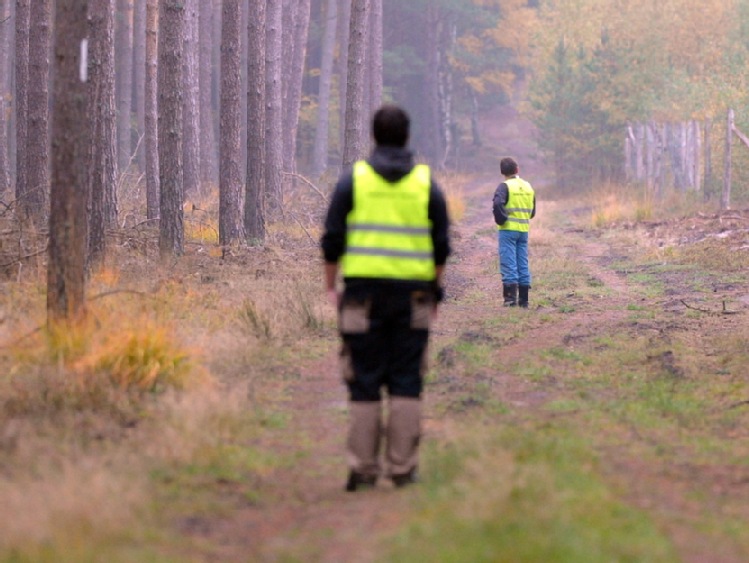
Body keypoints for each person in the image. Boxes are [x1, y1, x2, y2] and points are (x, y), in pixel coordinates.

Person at [321, 104, 451, 492]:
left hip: (361, 295)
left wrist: (332, 285)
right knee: (407, 378)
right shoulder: (427, 185)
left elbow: (332, 239)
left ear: (374, 135)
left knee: (363, 379)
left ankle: (362, 469)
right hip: (413, 295)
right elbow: (441, 246)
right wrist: (435, 290)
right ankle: (402, 469)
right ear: (407, 135)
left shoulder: (353, 182)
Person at [492, 157, 536, 308]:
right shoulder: (528, 186)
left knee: (509, 262)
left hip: (508, 230)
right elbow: (532, 211)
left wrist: (502, 219)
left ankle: (510, 300)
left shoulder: (504, 186)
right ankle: (524, 300)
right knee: (522, 262)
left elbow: (497, 203)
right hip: (523, 230)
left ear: (502, 171)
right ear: (517, 169)